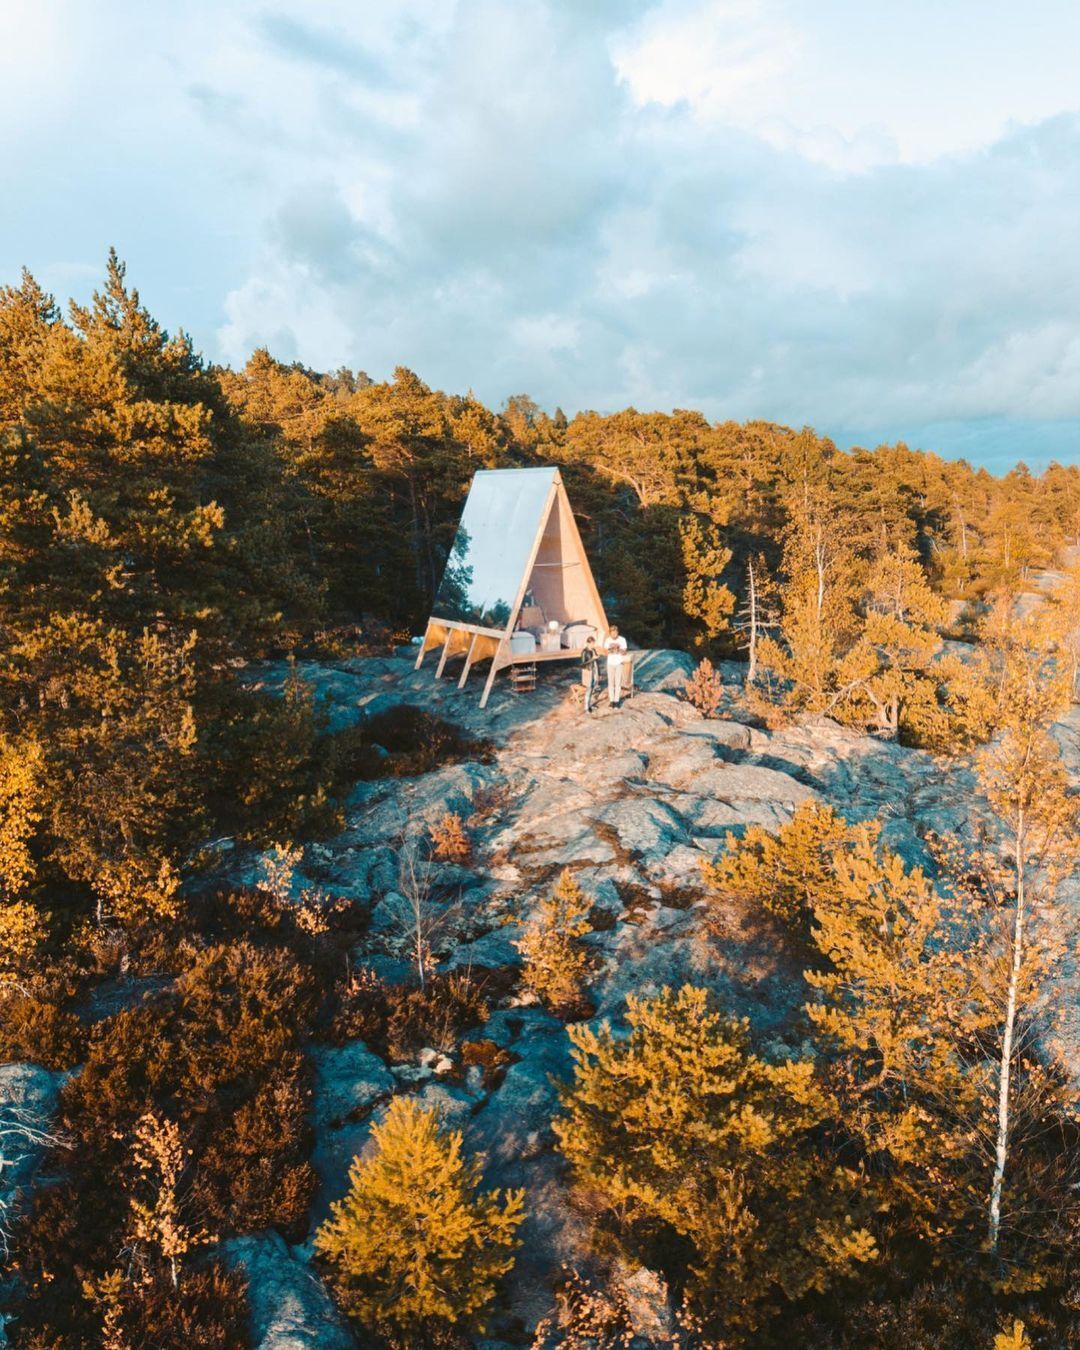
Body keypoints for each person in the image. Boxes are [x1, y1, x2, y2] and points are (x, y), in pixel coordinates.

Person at [604, 625, 628, 709]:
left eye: (615, 632)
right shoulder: (607, 640)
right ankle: (611, 701)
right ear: (610, 633)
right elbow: (605, 652)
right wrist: (611, 650)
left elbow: (624, 652)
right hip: (610, 663)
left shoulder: (622, 639)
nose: (614, 634)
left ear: (617, 632)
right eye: (612, 633)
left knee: (618, 683)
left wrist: (618, 650)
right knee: (610, 683)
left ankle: (616, 701)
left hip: (619, 663)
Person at [580, 635, 600, 714]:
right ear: (588, 643)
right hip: (588, 671)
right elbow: (582, 664)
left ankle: (590, 705)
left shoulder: (593, 650)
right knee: (588, 689)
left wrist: (599, 672)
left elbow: (596, 662)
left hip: (594, 670)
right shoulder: (584, 651)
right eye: (591, 644)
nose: (593, 645)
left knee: (592, 688)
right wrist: (592, 659)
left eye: (593, 643)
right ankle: (586, 707)